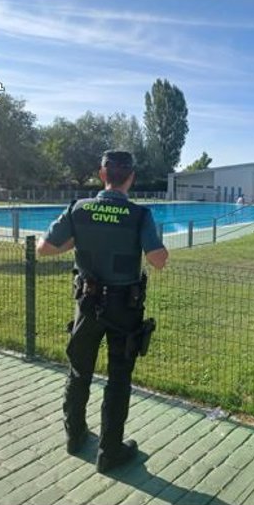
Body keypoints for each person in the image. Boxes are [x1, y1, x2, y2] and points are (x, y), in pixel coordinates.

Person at [36, 150, 168, 473]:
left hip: (87, 304)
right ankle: (109, 452)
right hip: (124, 308)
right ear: (132, 178)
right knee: (119, 378)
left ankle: (75, 435)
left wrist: (78, 242)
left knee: (79, 371)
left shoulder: (79, 210)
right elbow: (158, 259)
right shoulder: (139, 216)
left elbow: (44, 248)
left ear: (101, 175)